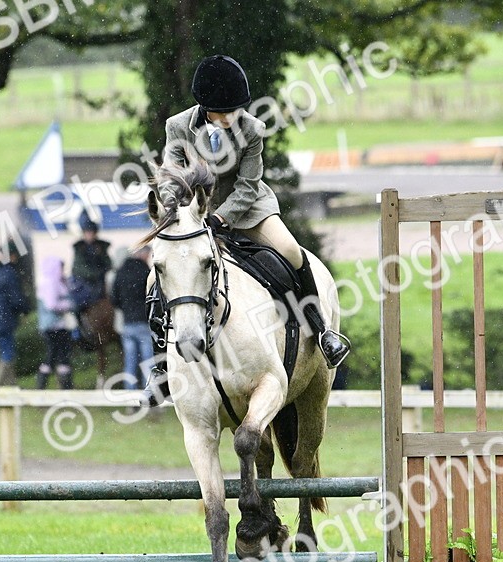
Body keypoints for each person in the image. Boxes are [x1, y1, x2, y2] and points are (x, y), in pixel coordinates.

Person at [141, 54, 350, 407]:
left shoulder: (252, 129)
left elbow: (249, 185)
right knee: (155, 278)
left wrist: (222, 218)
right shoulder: (178, 126)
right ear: (207, 108)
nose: (234, 116)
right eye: (227, 111)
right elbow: (172, 173)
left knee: (292, 253)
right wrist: (174, 208)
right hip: (194, 211)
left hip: (248, 209)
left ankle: (322, 329)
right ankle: (161, 368)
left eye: (238, 108)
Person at [0, 246, 33, 387]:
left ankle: (12, 385)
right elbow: (16, 299)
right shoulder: (9, 274)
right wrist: (26, 309)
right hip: (6, 319)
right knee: (7, 353)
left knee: (7, 350)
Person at [111, 246, 154, 391]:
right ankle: (150, 395)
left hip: (128, 324)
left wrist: (126, 309)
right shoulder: (145, 272)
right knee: (148, 361)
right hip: (144, 323)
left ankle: (130, 398)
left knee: (130, 361)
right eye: (148, 254)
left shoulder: (121, 272)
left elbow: (114, 298)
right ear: (142, 254)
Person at [35, 256, 75, 390]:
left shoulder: (54, 282)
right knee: (55, 356)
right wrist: (68, 305)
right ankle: (51, 387)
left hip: (56, 325)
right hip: (53, 325)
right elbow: (52, 304)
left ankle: (63, 387)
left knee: (60, 356)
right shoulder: (51, 283)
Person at [69, 213, 112, 312]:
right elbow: (79, 266)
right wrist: (94, 274)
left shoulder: (101, 247)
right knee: (79, 303)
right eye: (87, 232)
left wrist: (103, 270)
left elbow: (108, 262)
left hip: (100, 280)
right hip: (84, 280)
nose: (89, 235)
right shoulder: (79, 248)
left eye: (91, 232)